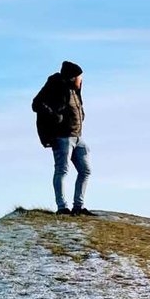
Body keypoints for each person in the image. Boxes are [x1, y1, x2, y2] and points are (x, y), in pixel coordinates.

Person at [31, 61, 94, 216]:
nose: (81, 80)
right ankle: (62, 207)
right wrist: (55, 116)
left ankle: (78, 206)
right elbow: (36, 104)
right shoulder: (56, 85)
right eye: (79, 77)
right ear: (73, 77)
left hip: (78, 137)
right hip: (62, 137)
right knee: (62, 171)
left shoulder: (75, 90)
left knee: (86, 170)